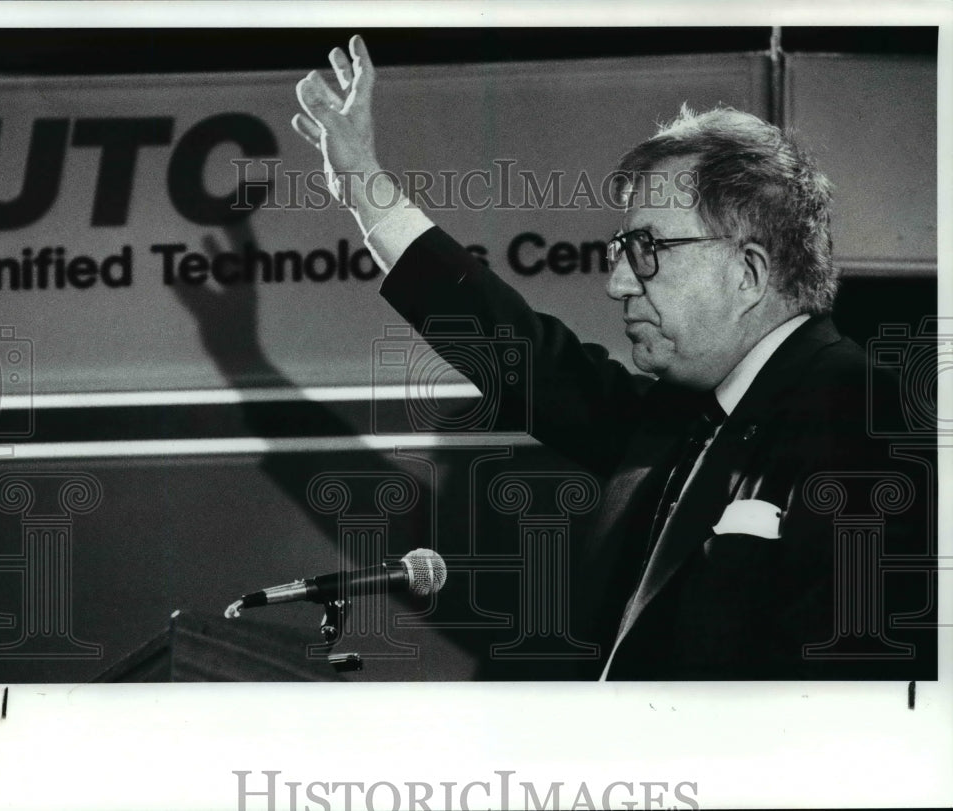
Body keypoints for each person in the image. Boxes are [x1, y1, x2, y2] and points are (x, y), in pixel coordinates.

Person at [291, 36, 934, 680]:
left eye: (647, 249)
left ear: (749, 272)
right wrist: (362, 187)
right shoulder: (687, 419)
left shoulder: (866, 417)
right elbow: (524, 357)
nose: (619, 283)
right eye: (620, 253)